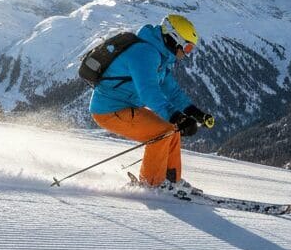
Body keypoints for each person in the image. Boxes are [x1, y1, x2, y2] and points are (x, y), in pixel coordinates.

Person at [89, 13, 214, 188]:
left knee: (172, 129)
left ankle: (172, 181)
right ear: (174, 38)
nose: (186, 54)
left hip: (126, 106)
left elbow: (172, 91)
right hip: (109, 110)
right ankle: (152, 185)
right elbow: (149, 92)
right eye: (187, 48)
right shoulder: (144, 54)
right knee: (161, 133)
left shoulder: (160, 57)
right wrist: (177, 116)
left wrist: (194, 112)